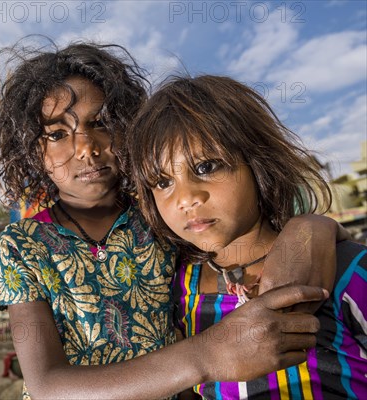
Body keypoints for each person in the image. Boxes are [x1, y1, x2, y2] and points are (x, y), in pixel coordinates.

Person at [0, 37, 340, 399]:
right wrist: (207, 355)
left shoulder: (160, 216)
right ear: (32, 151)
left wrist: (310, 227)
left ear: (129, 127)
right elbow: (47, 386)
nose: (86, 148)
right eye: (58, 133)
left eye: (101, 123)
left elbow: (233, 247)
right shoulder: (21, 244)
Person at [128, 74, 367, 398]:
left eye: (207, 167)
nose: (185, 198)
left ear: (259, 165)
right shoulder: (176, 289)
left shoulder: (344, 269)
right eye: (162, 182)